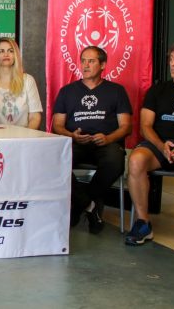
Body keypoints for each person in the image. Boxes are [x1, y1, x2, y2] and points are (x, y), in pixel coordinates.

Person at [125, 39, 174, 252]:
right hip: (157, 148)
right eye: (171, 59)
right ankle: (143, 223)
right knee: (136, 160)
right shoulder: (158, 91)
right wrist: (160, 145)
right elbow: (145, 126)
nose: (173, 64)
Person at [52, 46, 132, 234]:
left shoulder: (116, 91)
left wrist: (108, 138)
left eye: (91, 61)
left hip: (107, 143)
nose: (85, 65)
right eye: (83, 61)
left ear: (103, 64)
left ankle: (79, 205)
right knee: (55, 162)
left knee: (115, 162)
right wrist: (73, 136)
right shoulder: (67, 91)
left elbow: (126, 126)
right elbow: (57, 126)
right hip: (76, 142)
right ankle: (90, 205)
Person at [0, 37, 42, 128]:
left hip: (23, 138)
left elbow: (35, 117)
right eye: (1, 51)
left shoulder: (28, 80)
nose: (6, 54)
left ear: (16, 55)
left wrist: (27, 139)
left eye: (10, 51)